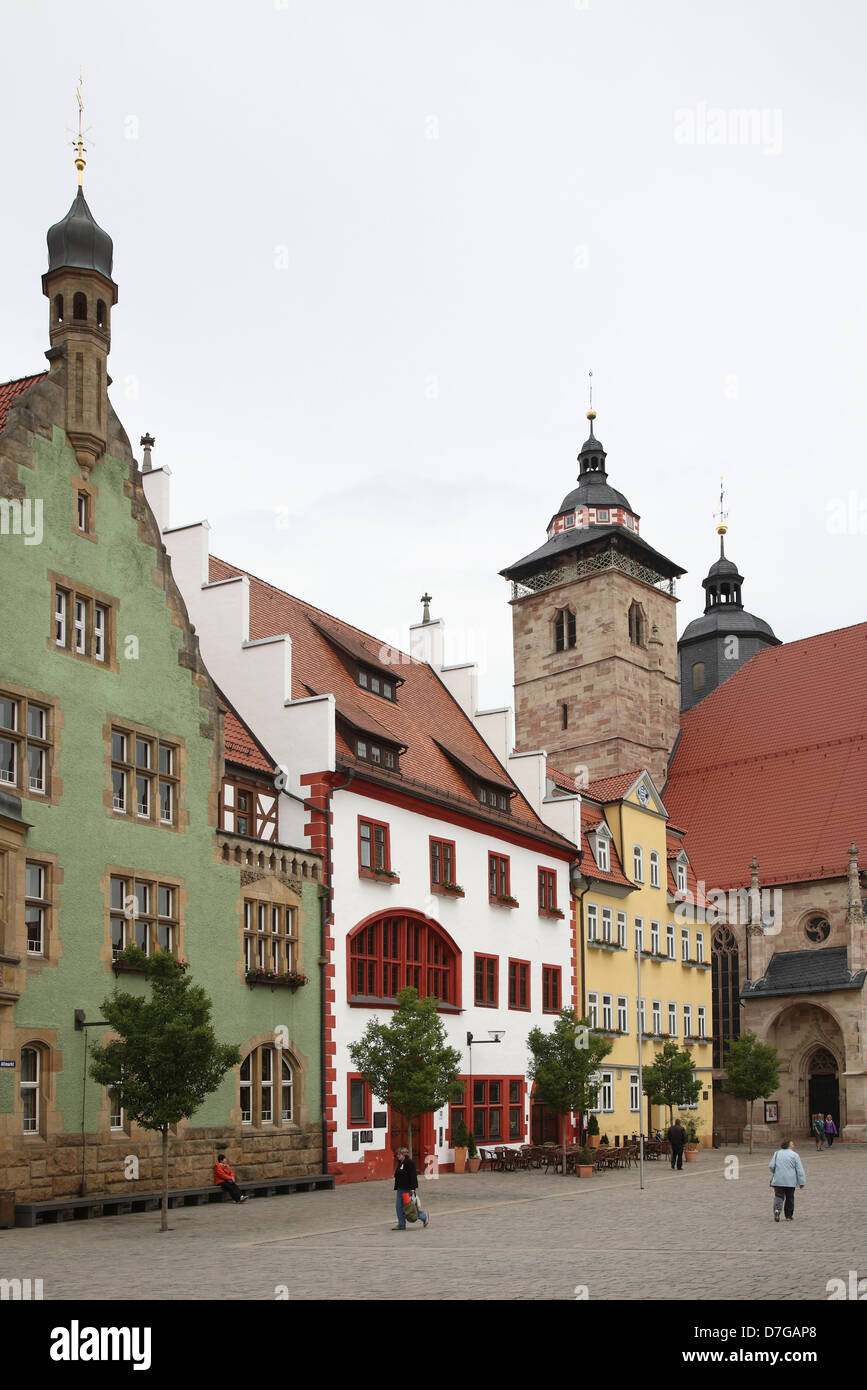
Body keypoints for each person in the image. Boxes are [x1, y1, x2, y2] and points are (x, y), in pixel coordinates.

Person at [392, 1146, 429, 1230]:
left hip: (407, 1189)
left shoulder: (409, 1163)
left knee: (409, 1208)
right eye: (397, 1154)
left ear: (404, 1155)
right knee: (398, 1207)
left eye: (399, 1154)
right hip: (400, 1189)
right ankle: (401, 1224)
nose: (397, 1156)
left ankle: (423, 1216)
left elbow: (413, 1176)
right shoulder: (400, 1163)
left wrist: (413, 1188)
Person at [769, 1139, 805, 1222]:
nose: (793, 1146)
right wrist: (802, 1182)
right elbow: (799, 1170)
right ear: (788, 1145)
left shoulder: (777, 1153)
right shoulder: (795, 1155)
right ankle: (788, 1216)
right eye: (792, 1144)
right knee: (790, 1197)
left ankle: (777, 1210)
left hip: (778, 1180)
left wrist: (776, 1171)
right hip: (790, 1181)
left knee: (778, 1196)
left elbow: (771, 1166)